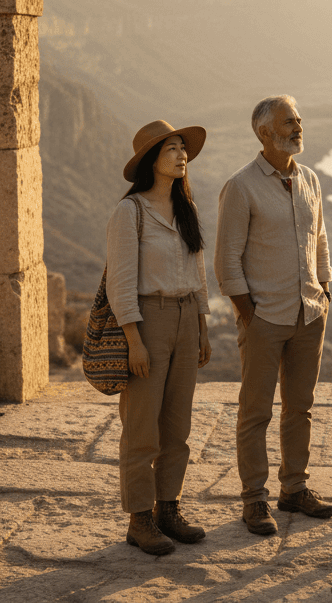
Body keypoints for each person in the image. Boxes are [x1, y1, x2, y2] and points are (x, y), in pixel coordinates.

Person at [214, 95, 332, 536]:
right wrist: (249, 313)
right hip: (265, 317)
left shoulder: (310, 179)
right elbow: (227, 259)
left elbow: (320, 237)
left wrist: (325, 286)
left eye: (299, 119)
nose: (298, 127)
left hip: (309, 312)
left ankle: (294, 488)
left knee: (300, 408)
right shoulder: (241, 186)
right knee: (256, 411)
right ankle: (254, 499)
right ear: (265, 132)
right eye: (289, 121)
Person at [106, 120, 213, 556]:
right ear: (152, 160)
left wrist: (204, 327)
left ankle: (169, 508)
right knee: (141, 425)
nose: (182, 155)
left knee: (178, 424)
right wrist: (133, 339)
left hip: (188, 318)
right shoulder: (130, 212)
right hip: (148, 318)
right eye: (171, 149)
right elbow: (120, 280)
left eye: (183, 149)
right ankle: (139, 518)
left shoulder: (186, 209)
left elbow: (198, 273)